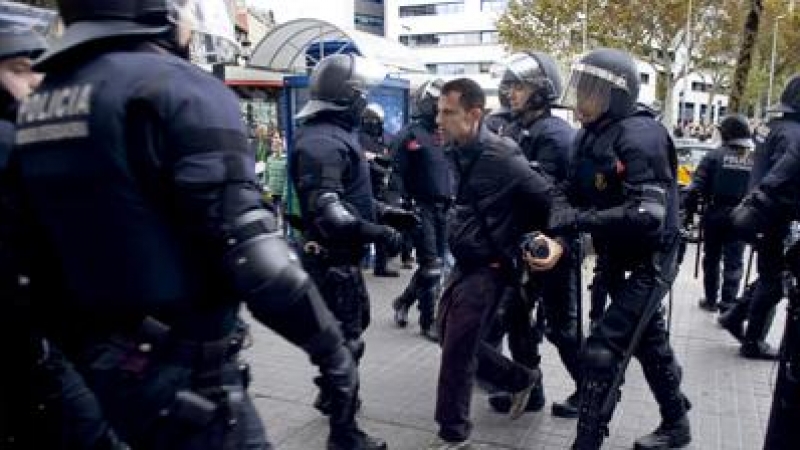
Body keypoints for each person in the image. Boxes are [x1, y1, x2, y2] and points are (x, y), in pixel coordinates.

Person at [11, 1, 377, 449]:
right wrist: (330, 349)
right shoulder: (174, 87)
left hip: (98, 365)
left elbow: (35, 255)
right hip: (183, 376)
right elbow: (251, 254)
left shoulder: (42, 102)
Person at [549, 48, 691, 449]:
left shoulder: (640, 134)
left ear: (616, 94)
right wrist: (563, 212)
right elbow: (565, 189)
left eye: (591, 91)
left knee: (602, 349)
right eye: (581, 89)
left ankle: (587, 442)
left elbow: (648, 214)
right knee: (648, 341)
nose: (581, 100)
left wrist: (579, 221)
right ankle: (677, 424)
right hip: (616, 255)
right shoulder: (586, 137)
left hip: (652, 258)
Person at [0, 10, 129, 449]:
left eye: (37, 70)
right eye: (18, 71)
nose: (35, 82)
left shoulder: (24, 137)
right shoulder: (9, 143)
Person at [291, 53, 420, 450]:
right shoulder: (322, 142)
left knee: (349, 332)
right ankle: (344, 435)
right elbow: (332, 215)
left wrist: (387, 213)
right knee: (346, 344)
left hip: (339, 261)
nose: (366, 102)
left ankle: (332, 393)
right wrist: (381, 234)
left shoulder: (332, 135)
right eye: (362, 94)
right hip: (331, 261)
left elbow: (351, 199)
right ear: (349, 97)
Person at [427, 77, 562, 450]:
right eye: (439, 111)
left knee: (458, 348)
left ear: (474, 114)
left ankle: (453, 435)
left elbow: (547, 200)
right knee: (444, 333)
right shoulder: (458, 148)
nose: (439, 120)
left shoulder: (501, 155)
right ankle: (521, 378)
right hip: (466, 262)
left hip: (492, 266)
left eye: (448, 112)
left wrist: (540, 243)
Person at [486, 51, 581, 418]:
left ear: (541, 90)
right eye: (510, 85)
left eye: (520, 86)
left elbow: (556, 195)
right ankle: (531, 387)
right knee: (515, 318)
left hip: (551, 245)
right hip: (518, 241)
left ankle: (589, 393)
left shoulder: (557, 135)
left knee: (562, 328)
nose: (511, 92)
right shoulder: (512, 127)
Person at [729, 73, 800, 450]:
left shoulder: (777, 129)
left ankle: (736, 318)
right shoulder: (793, 134)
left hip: (763, 215)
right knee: (773, 281)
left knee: (770, 278)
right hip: (776, 218)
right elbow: (783, 176)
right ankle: (752, 336)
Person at [390, 78, 453, 341]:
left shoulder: (445, 134)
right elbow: (396, 173)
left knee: (438, 266)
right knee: (431, 265)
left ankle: (403, 301)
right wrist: (401, 205)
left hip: (446, 208)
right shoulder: (410, 134)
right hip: (421, 207)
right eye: (437, 104)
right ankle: (428, 321)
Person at [683, 114, 754, 313]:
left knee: (712, 258)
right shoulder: (753, 158)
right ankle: (728, 304)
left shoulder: (714, 155)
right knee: (734, 261)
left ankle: (711, 300)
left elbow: (697, 185)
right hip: (743, 215)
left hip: (715, 214)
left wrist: (689, 210)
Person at [359, 102, 398, 277]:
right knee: (360, 222)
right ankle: (360, 261)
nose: (375, 124)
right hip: (363, 186)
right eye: (372, 121)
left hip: (382, 186)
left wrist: (375, 158)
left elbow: (391, 159)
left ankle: (381, 265)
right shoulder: (356, 137)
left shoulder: (387, 137)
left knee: (384, 223)